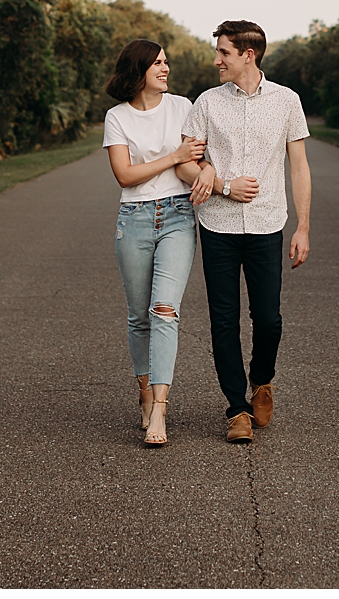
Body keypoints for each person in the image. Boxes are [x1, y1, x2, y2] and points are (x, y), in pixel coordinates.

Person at [182, 19, 313, 443]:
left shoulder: (286, 101)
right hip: (217, 224)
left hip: (267, 224)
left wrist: (303, 226)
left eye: (223, 52)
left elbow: (299, 166)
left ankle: (262, 379)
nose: (216, 59)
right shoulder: (206, 103)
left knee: (269, 319)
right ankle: (236, 408)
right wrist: (219, 182)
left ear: (247, 55)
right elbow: (185, 162)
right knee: (224, 319)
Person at [102, 39, 207, 446]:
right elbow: (125, 176)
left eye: (166, 62)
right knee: (139, 317)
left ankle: (161, 409)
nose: (166, 69)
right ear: (138, 70)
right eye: (158, 63)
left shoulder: (184, 106)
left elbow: (191, 162)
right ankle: (144, 393)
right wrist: (173, 155)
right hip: (135, 219)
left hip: (178, 217)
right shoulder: (117, 117)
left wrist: (209, 174)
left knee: (165, 311)